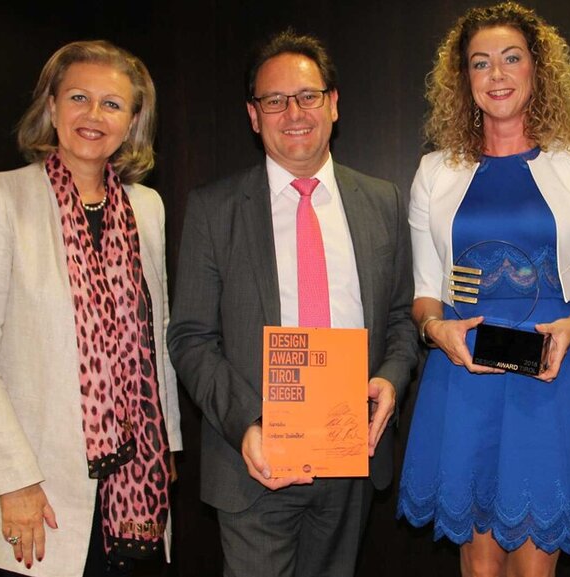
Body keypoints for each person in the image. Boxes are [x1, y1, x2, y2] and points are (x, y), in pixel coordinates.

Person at [167, 29, 419, 577]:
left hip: (352, 458)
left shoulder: (381, 201)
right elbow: (190, 338)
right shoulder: (214, 210)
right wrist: (248, 424)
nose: (294, 113)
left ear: (333, 103)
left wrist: (391, 380)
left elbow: (402, 319)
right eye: (274, 100)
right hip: (254, 462)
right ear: (253, 116)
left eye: (307, 96)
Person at [396, 3, 570, 575]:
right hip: (463, 374)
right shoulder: (434, 172)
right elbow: (424, 293)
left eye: (511, 58)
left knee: (534, 568)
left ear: (536, 69)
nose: (496, 74)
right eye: (480, 63)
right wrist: (435, 328)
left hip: (552, 373)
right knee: (478, 568)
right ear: (464, 79)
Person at [0, 40, 181, 576]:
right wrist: (15, 480)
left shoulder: (147, 207)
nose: (93, 115)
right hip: (35, 486)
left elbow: (156, 334)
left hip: (132, 484)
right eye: (78, 97)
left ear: (133, 121)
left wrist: (166, 444)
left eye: (112, 104)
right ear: (51, 107)